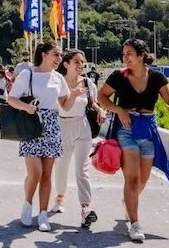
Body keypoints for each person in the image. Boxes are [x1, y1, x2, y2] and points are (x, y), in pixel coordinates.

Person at [98, 38, 169, 242]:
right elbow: (102, 97)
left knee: (143, 179)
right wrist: (119, 110)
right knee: (132, 178)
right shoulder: (119, 76)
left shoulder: (156, 77)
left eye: (129, 53)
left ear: (141, 55)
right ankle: (135, 223)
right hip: (126, 129)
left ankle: (129, 201)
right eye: (124, 54)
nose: (125, 57)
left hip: (147, 129)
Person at [7, 41, 69, 232]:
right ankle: (27, 204)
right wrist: (27, 108)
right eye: (56, 54)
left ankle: (43, 214)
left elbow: (65, 104)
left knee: (47, 174)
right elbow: (11, 98)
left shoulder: (59, 77)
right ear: (44, 54)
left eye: (60, 55)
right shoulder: (28, 74)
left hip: (52, 125)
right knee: (35, 173)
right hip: (31, 124)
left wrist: (76, 94)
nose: (59, 58)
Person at [52, 49, 106, 227]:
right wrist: (73, 94)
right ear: (66, 64)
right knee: (62, 166)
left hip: (83, 127)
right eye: (76, 61)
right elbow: (64, 107)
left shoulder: (88, 82)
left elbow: (92, 102)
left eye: (82, 62)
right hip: (62, 126)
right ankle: (60, 198)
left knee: (82, 169)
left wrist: (99, 110)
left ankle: (85, 208)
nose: (80, 65)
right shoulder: (58, 82)